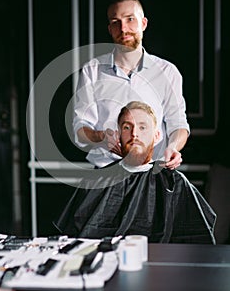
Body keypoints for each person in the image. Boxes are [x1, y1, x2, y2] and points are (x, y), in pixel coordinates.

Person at [55, 101, 216, 244]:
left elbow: (196, 242)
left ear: (157, 135)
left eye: (142, 127)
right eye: (127, 127)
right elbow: (74, 242)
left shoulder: (174, 183)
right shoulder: (95, 181)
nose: (134, 134)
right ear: (118, 135)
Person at [73, 0, 190, 169]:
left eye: (130, 19)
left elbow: (178, 123)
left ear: (143, 23)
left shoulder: (167, 72)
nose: (123, 28)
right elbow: (80, 128)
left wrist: (172, 147)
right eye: (115, 22)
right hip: (106, 175)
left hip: (153, 173)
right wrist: (101, 137)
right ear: (110, 29)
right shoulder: (93, 70)